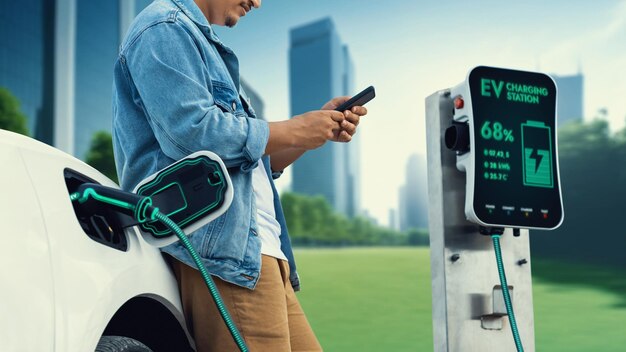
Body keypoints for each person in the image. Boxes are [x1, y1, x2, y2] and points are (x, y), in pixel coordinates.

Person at [112, 0, 367, 350]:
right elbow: (192, 134)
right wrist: (294, 129)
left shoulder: (204, 45)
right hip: (224, 255)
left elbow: (255, 163)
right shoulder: (162, 27)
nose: (258, 2)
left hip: (260, 251)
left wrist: (314, 132)